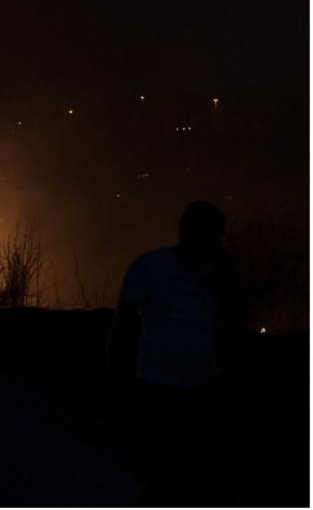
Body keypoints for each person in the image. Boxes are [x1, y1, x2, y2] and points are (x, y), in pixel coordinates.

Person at [106, 201, 244, 506]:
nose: (212, 242)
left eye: (216, 235)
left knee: (194, 471)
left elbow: (233, 322)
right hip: (159, 384)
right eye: (207, 234)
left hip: (205, 385)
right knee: (165, 468)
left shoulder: (221, 270)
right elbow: (124, 324)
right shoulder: (150, 268)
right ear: (186, 233)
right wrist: (116, 375)